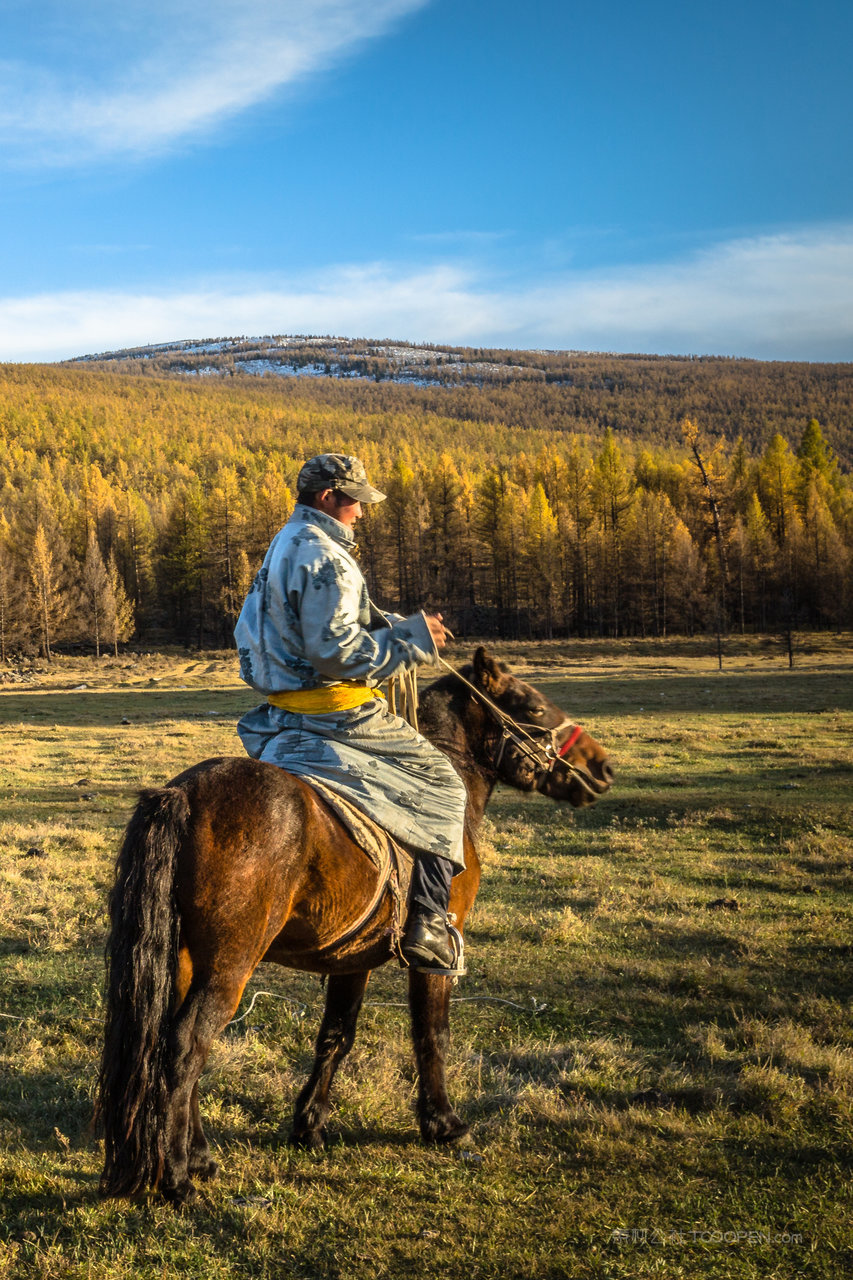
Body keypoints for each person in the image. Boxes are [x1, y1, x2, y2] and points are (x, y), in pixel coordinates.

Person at [234, 452, 467, 972]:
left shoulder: (282, 545)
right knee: (446, 785)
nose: (360, 513)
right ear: (327, 499)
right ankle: (428, 925)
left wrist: (394, 624)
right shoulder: (327, 556)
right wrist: (408, 644)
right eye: (354, 502)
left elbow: (275, 630)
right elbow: (336, 652)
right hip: (337, 712)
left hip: (280, 716)